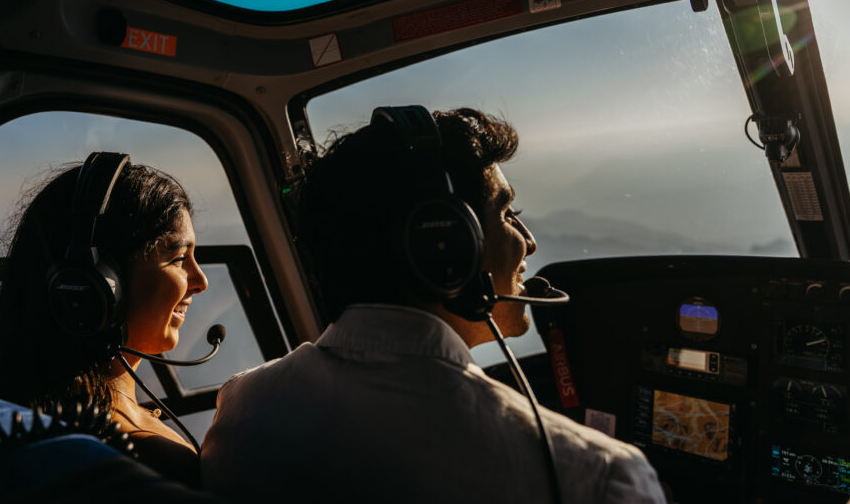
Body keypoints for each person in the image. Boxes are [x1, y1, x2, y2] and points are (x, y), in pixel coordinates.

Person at [201, 107, 667, 503]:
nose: (530, 242)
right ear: (443, 246)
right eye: (507, 214)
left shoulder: (243, 406)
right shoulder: (596, 477)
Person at [0, 153, 208, 486]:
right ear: (98, 283)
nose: (201, 281)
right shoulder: (153, 458)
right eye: (178, 258)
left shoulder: (22, 414)